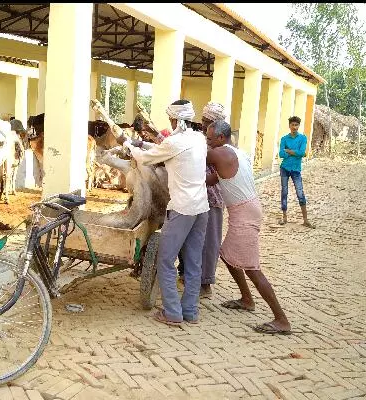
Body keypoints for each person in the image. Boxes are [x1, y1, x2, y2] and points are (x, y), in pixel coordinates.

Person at [119, 99, 209, 325]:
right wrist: (144, 144)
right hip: (201, 208)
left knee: (165, 260)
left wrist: (131, 146)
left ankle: (172, 313)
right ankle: (190, 311)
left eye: (170, 118)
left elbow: (146, 158)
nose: (168, 121)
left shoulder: (176, 142)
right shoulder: (199, 138)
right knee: (193, 261)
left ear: (176, 119)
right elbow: (166, 149)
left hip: (182, 209)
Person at [205, 120, 291, 335]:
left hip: (244, 212)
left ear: (221, 138)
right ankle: (246, 298)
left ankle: (281, 320)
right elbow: (216, 178)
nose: (207, 140)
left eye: (210, 137)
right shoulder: (235, 153)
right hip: (247, 208)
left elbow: (193, 155)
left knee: (252, 268)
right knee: (226, 254)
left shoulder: (219, 154)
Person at [176, 102, 227, 299]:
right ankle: (187, 274)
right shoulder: (203, 137)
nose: (204, 125)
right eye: (203, 121)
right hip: (195, 197)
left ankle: (205, 283)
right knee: (191, 238)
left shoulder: (222, 144)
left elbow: (216, 174)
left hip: (212, 198)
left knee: (210, 241)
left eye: (208, 122)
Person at [278, 116, 314, 228]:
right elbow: (281, 154)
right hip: (284, 168)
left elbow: (302, 153)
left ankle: (305, 220)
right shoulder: (284, 139)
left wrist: (288, 151)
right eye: (292, 125)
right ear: (289, 126)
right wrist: (295, 152)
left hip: (296, 170)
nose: (294, 127)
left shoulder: (303, 138)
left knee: (300, 193)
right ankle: (284, 217)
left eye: (296, 125)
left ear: (299, 126)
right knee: (284, 192)